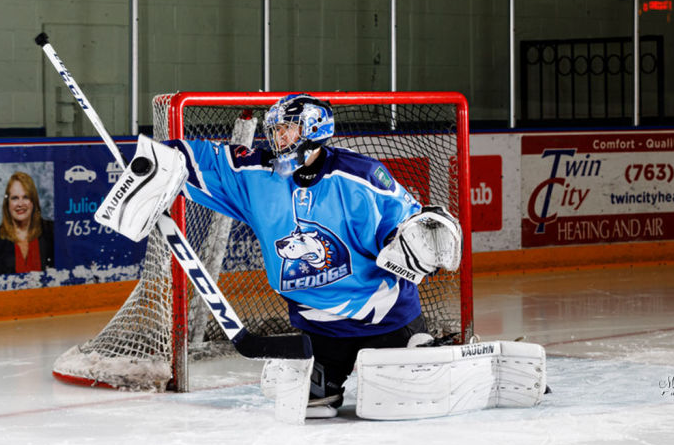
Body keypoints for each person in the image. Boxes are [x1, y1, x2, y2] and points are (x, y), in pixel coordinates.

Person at [158, 93, 461, 416]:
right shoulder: (259, 176)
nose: (279, 138)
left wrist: (412, 237)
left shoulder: (360, 176)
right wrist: (157, 160)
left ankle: (415, 348)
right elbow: (205, 159)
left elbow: (405, 224)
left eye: (288, 128)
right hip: (320, 329)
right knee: (310, 406)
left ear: (314, 129)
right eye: (275, 130)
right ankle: (330, 373)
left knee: (405, 400)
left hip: (386, 319)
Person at [0, 171, 55, 275]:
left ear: (33, 201)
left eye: (26, 197)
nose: (20, 204)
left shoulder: (53, 232)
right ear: (7, 203)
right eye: (15, 198)